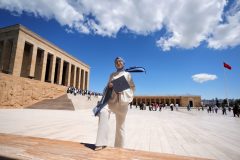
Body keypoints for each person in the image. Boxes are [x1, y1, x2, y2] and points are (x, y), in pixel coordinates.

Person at [95, 57, 135, 151]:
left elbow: (132, 88)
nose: (118, 62)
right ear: (115, 64)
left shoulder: (127, 74)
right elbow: (107, 87)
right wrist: (109, 86)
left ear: (124, 63)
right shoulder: (112, 74)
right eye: (116, 62)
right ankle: (101, 142)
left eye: (120, 61)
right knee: (103, 112)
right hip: (111, 101)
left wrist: (123, 91)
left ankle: (119, 147)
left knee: (120, 127)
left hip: (122, 102)